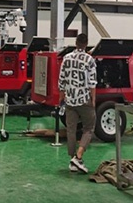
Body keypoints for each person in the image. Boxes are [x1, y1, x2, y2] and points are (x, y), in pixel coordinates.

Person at [57, 33, 97, 174]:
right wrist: (93, 99)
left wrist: (61, 97)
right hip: (84, 98)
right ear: (86, 44)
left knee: (71, 130)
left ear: (76, 43)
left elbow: (61, 79)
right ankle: (78, 157)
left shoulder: (66, 58)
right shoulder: (89, 60)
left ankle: (72, 159)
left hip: (70, 99)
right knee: (89, 128)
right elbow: (92, 82)